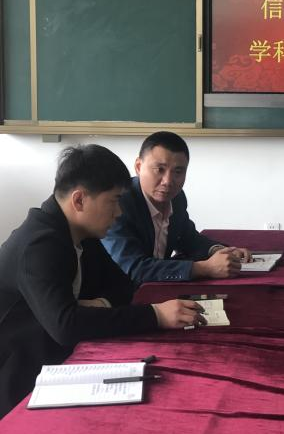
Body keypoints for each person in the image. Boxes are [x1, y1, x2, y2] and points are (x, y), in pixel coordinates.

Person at [0, 145, 207, 418]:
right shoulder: (40, 244)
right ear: (79, 200)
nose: (119, 212)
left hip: (56, 358)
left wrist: (98, 304)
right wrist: (155, 315)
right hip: (18, 377)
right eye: (114, 201)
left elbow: (124, 285)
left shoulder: (80, 232)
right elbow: (66, 327)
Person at [102, 131, 251, 286]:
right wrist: (204, 268)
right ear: (139, 167)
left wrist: (221, 251)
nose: (168, 181)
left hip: (158, 289)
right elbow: (135, 268)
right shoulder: (119, 203)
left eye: (178, 172)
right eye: (160, 169)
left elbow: (188, 239)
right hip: (119, 293)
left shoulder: (177, 198)